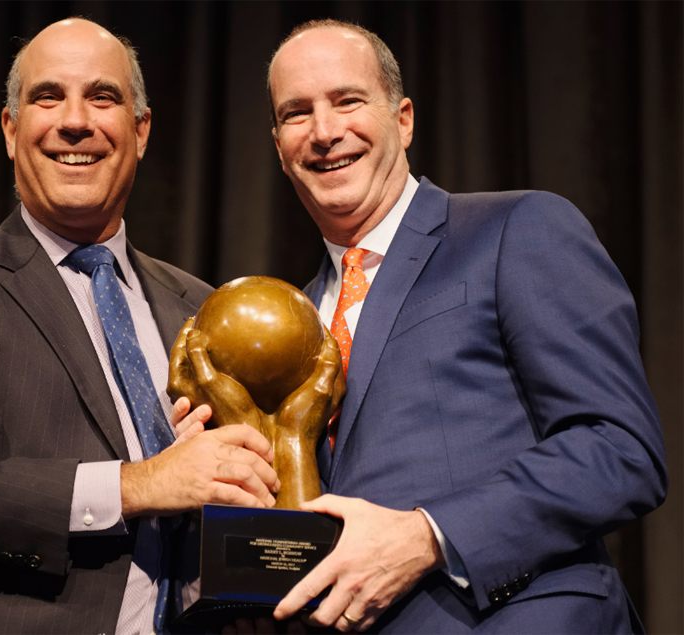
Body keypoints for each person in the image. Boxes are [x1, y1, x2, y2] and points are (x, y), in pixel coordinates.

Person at [0, 18, 281, 635]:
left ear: (141, 130)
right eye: (47, 97)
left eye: (103, 97)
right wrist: (141, 483)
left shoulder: (202, 307)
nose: (75, 120)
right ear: (10, 128)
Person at [265, 19, 668, 633]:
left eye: (347, 100)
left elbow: (619, 448)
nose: (324, 132)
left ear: (403, 119)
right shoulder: (288, 316)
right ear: (279, 147)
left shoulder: (517, 229)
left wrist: (428, 534)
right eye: (298, 113)